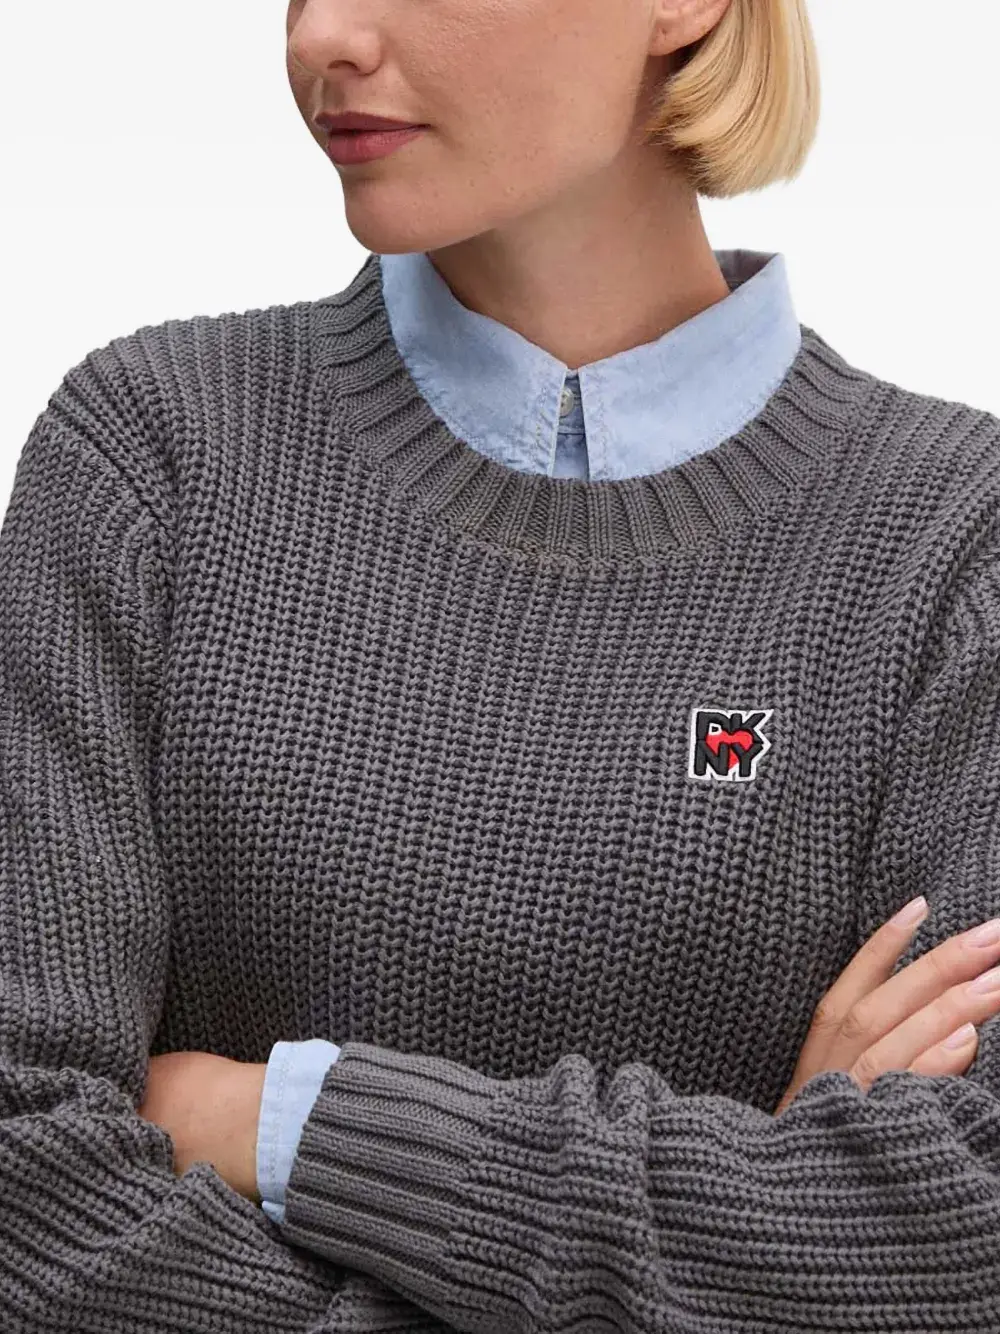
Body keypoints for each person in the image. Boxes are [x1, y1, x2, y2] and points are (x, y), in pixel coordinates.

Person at [2, 0, 1000, 1329]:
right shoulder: (153, 461)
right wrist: (762, 1216)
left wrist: (290, 1123)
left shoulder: (957, 545)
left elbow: (964, 1226)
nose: (320, 38)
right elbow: (27, 1182)